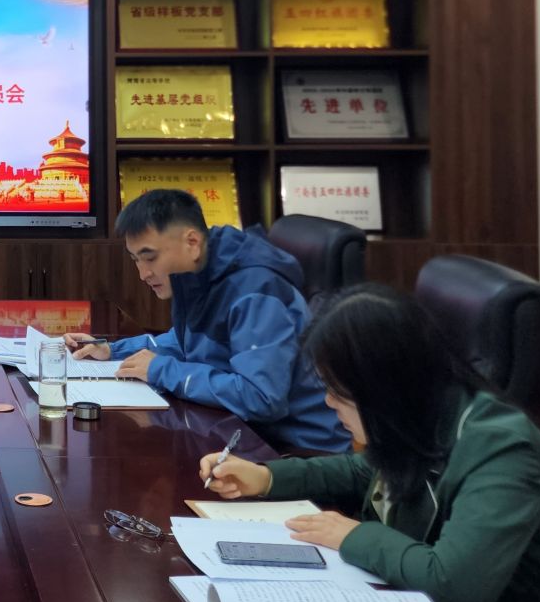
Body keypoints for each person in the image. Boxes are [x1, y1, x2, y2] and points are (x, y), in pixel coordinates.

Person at [200, 283, 540, 602]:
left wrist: (354, 536)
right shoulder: (426, 413)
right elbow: (367, 471)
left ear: (383, 387)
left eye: (338, 391)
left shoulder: (501, 447)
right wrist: (268, 477)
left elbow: (454, 585)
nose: (328, 402)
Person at [68, 189, 346, 453]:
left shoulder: (255, 289)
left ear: (192, 242)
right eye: (135, 260)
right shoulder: (200, 270)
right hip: (239, 430)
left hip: (293, 449)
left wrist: (162, 370)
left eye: (150, 258)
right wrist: (113, 351)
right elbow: (186, 341)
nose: (143, 274)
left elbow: (261, 398)